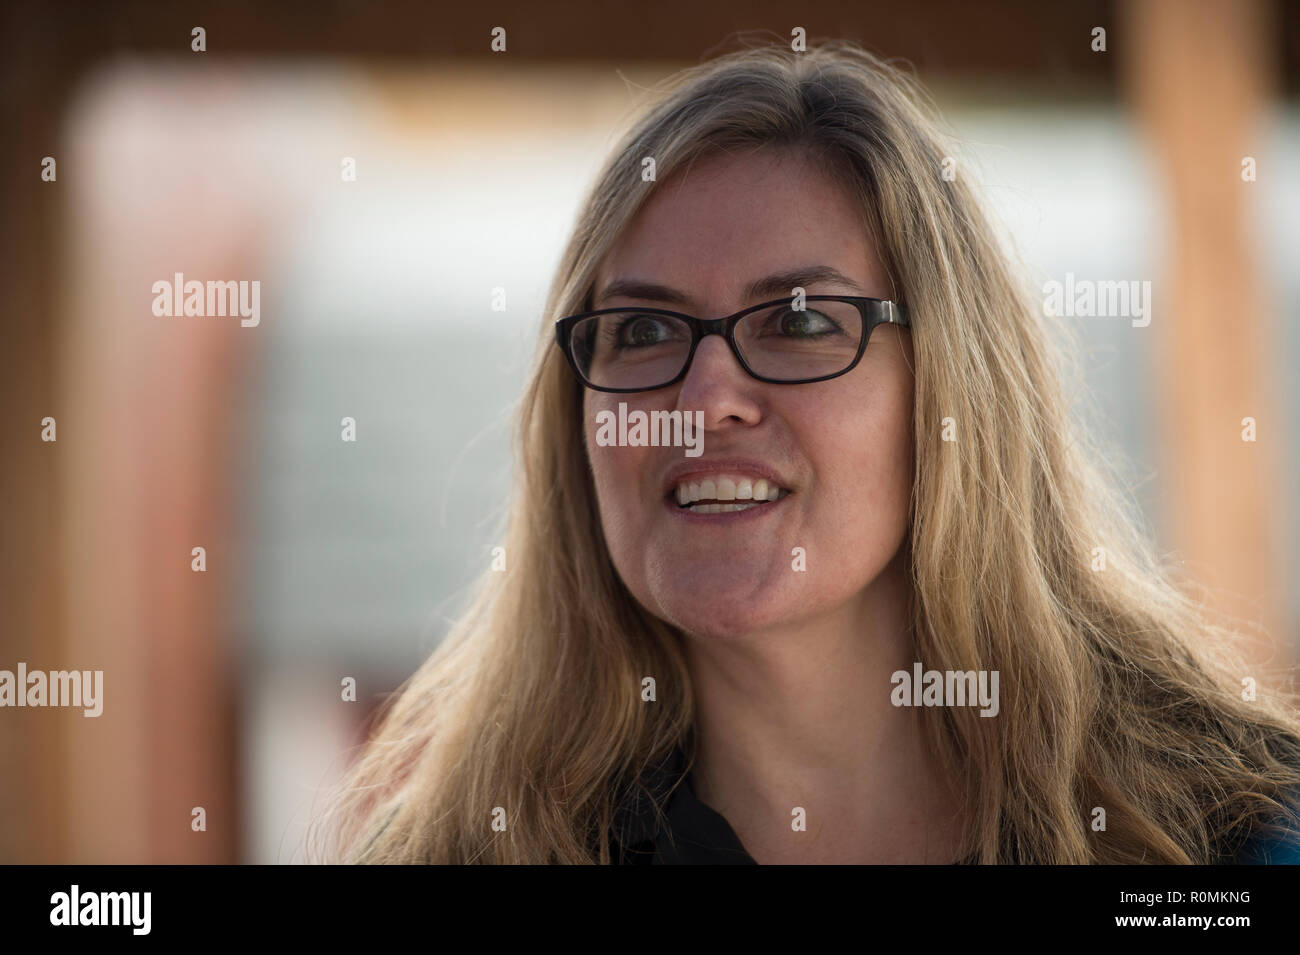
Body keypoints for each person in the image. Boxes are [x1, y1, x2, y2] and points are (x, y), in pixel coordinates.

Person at [312, 39, 1300, 864]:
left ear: (949, 387)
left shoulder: (1230, 840)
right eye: (644, 333)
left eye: (797, 321)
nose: (704, 401)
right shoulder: (459, 849)